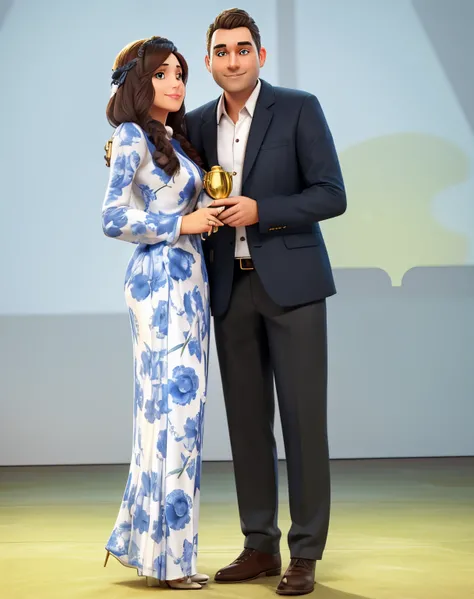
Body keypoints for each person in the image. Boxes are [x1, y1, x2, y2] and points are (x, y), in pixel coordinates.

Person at [185, 8, 346, 596]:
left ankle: (305, 552)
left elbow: (332, 194)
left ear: (261, 56)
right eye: (222, 51)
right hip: (230, 288)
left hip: (295, 289)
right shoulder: (196, 123)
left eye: (243, 49)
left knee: (305, 425)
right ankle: (259, 544)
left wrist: (263, 211)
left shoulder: (299, 107)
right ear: (209, 62)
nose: (233, 60)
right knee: (248, 426)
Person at [101, 36, 223, 590]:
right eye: (163, 73)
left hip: (192, 284)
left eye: (180, 72)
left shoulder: (176, 139)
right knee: (170, 418)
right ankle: (170, 563)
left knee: (183, 421)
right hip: (159, 286)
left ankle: (153, 551)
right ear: (138, 81)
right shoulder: (130, 137)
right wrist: (181, 225)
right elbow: (111, 218)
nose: (176, 81)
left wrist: (206, 213)